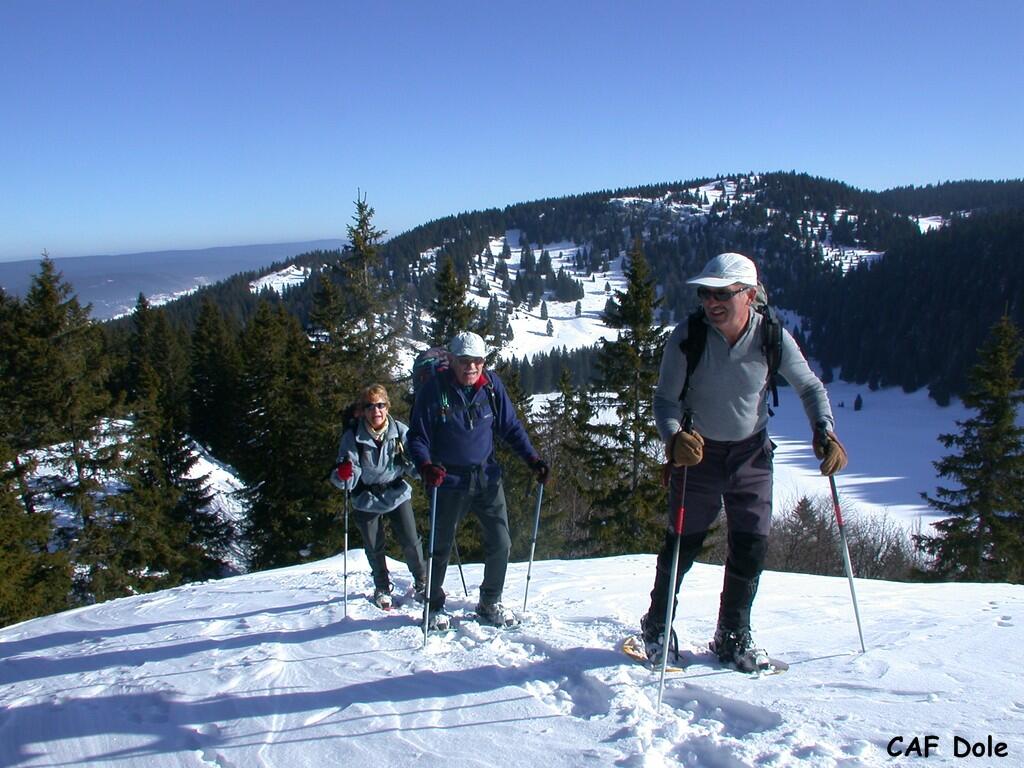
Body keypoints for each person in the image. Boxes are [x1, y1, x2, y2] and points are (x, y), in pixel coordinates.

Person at [642, 252, 848, 670]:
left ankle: (733, 633)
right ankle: (657, 626)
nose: (711, 302)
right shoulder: (688, 337)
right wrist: (674, 438)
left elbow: (809, 386)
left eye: (722, 294)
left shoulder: (771, 335)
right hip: (698, 455)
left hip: (751, 454)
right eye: (705, 293)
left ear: (749, 295)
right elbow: (664, 400)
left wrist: (824, 431)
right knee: (681, 545)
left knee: (751, 546)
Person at [407, 331, 549, 630]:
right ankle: (433, 605)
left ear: (484, 361)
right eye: (464, 361)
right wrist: (426, 466)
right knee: (440, 547)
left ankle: (489, 601)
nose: (471, 367)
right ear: (452, 360)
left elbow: (510, 426)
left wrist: (532, 459)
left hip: (486, 477)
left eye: (477, 361)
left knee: (501, 542)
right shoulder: (434, 390)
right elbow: (418, 436)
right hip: (447, 481)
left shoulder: (491, 387)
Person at [332, 384, 427, 609]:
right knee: (374, 546)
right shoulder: (353, 437)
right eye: (370, 406)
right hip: (366, 496)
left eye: (381, 405)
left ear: (387, 407)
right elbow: (348, 472)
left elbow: (413, 461)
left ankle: (422, 581)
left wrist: (427, 468)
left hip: (396, 492)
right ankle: (382, 587)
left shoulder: (399, 432)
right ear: (363, 410)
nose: (376, 410)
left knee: (411, 540)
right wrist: (344, 475)